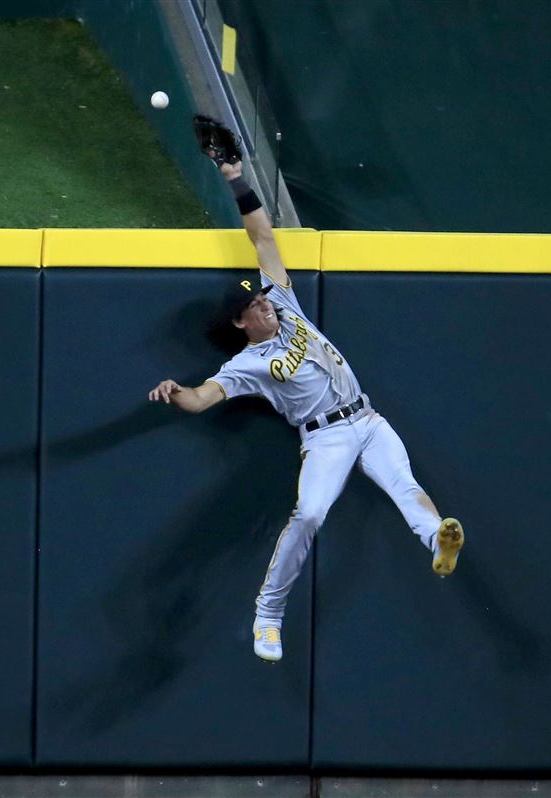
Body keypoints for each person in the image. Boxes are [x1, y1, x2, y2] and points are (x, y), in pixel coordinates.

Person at [148, 155, 463, 663]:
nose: (263, 303)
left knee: (407, 486)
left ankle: (438, 543)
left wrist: (234, 178)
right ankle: (268, 616)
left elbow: (262, 238)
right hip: (325, 438)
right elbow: (203, 398)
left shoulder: (285, 305)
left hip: (367, 419)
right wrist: (177, 392)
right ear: (239, 322)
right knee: (310, 512)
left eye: (263, 298)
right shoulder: (247, 362)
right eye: (253, 305)